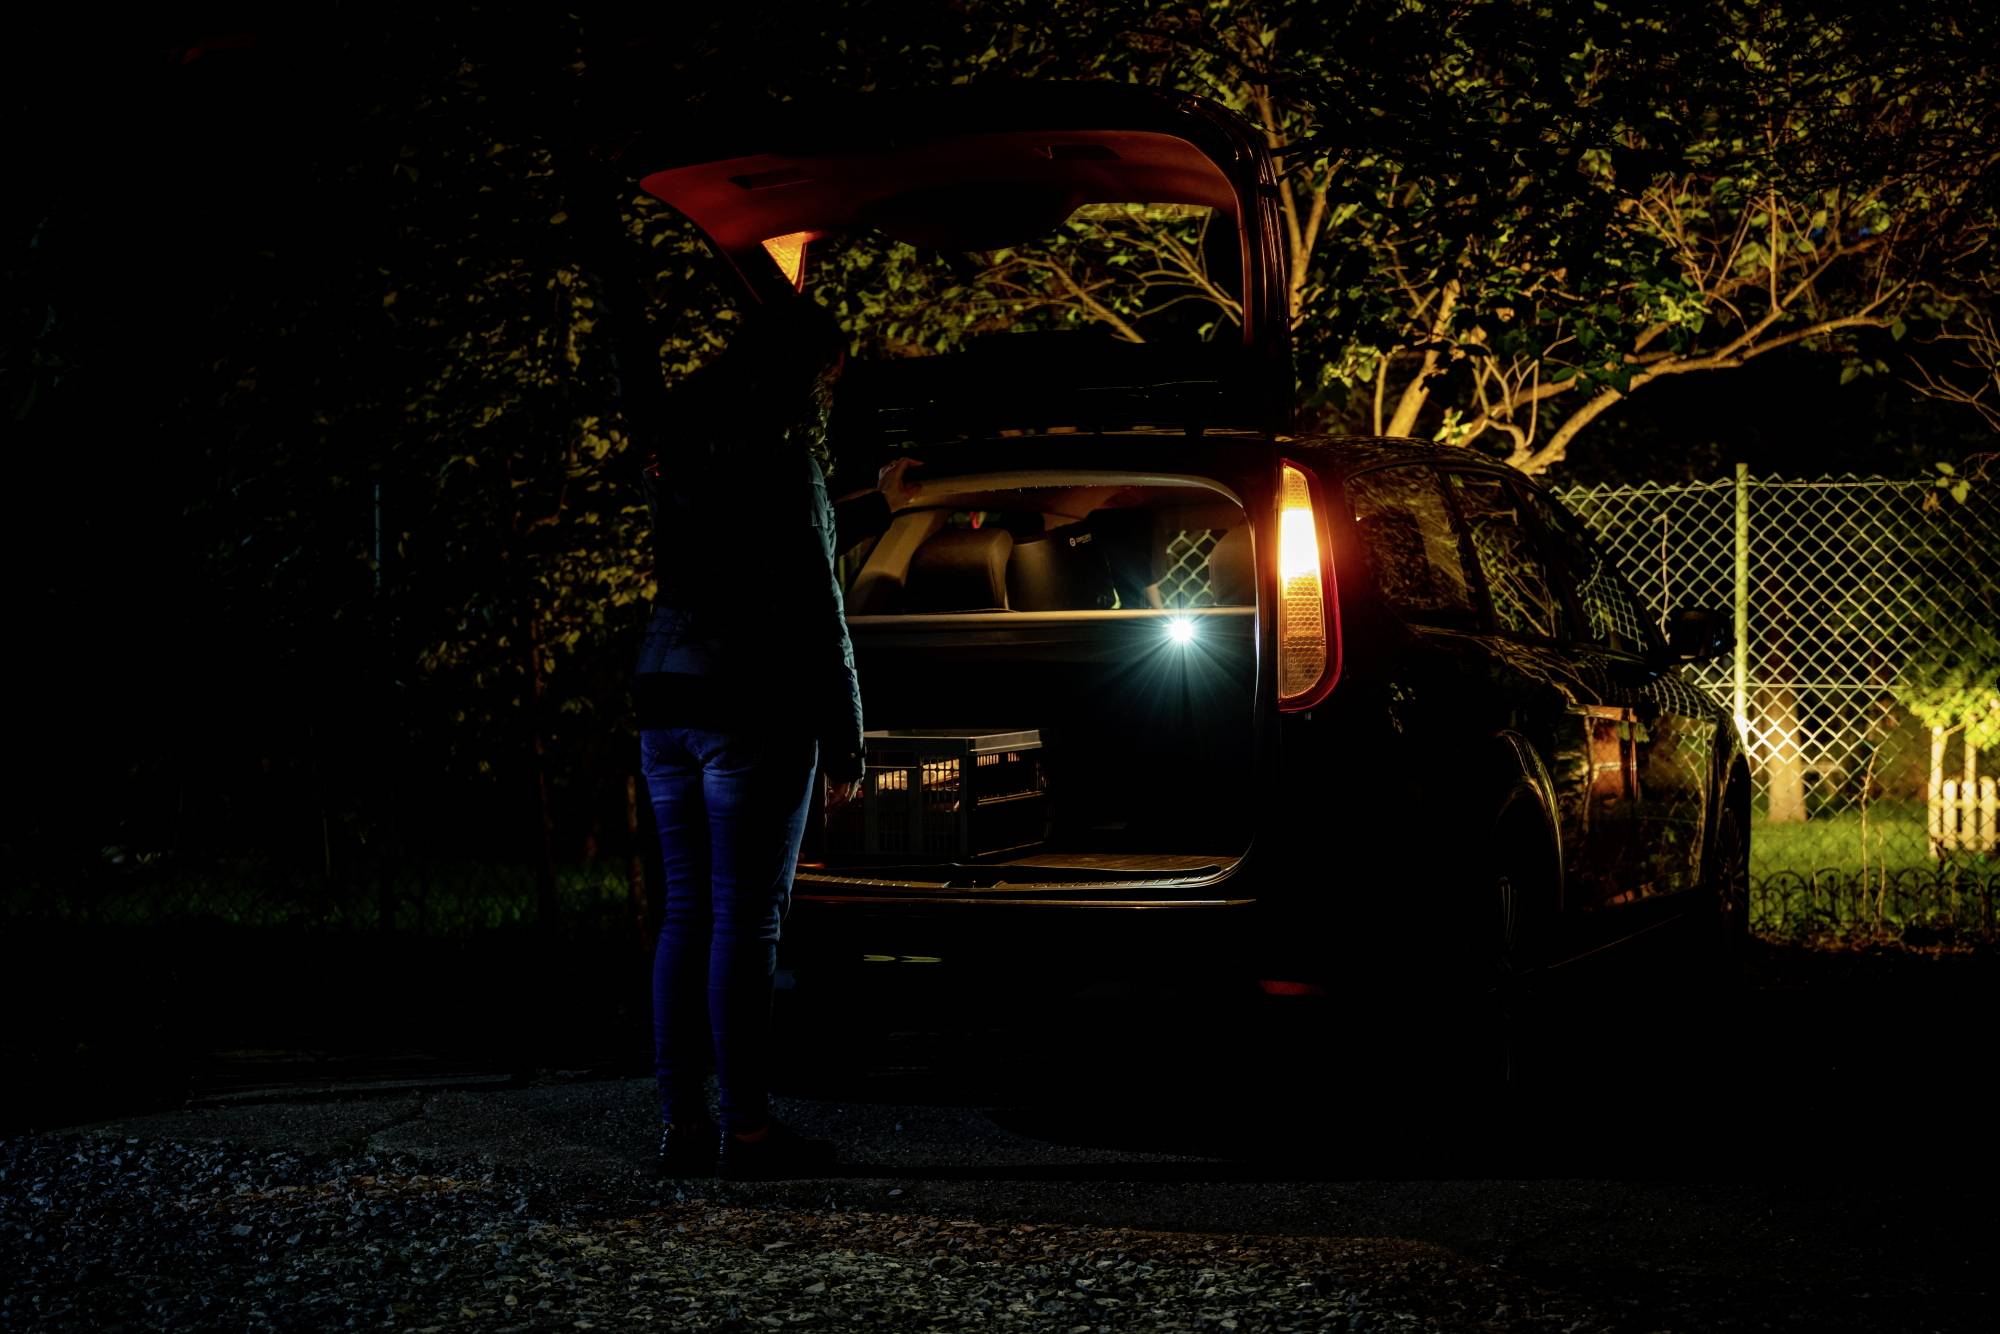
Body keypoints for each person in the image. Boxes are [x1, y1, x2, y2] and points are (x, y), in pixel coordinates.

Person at [635, 297, 905, 1180]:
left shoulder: (684, 446)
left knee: (685, 914)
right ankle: (747, 1133)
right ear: (801, 377)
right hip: (754, 710)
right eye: (825, 379)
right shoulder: (786, 456)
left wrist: (865, 505)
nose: (828, 397)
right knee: (747, 927)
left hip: (667, 697)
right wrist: (850, 737)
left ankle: (683, 1128)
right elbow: (815, 603)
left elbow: (730, 556)